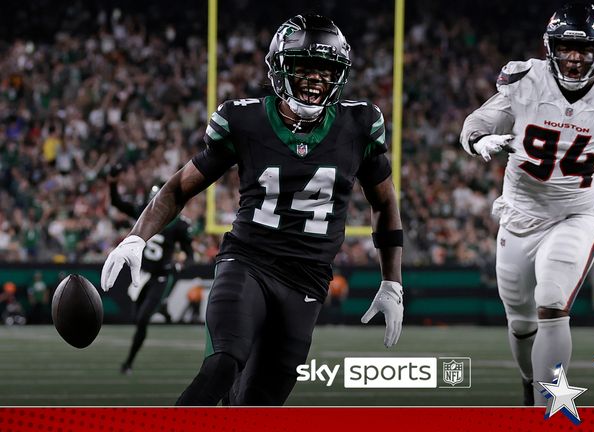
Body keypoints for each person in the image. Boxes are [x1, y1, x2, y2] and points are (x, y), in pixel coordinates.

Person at [100, 14, 404, 406]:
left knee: (255, 406)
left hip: (308, 282)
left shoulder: (359, 124)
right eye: (304, 68)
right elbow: (179, 187)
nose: (315, 80)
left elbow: (384, 202)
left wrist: (392, 281)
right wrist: (136, 237)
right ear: (279, 69)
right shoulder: (245, 120)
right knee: (223, 364)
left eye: (325, 71)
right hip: (248, 263)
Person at [459, 3, 594, 406]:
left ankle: (548, 407)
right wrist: (479, 141)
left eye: (584, 49)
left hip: (578, 215)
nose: (574, 58)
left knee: (552, 303)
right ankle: (529, 382)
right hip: (520, 214)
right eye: (565, 47)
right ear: (549, 47)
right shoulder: (526, 80)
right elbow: (476, 123)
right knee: (520, 322)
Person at [108, 173, 194, 375]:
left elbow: (190, 255)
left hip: (161, 276)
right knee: (137, 318)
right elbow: (117, 203)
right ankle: (161, 308)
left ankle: (128, 362)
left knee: (143, 319)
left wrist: (179, 266)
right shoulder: (144, 212)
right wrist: (112, 183)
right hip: (143, 274)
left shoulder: (179, 225)